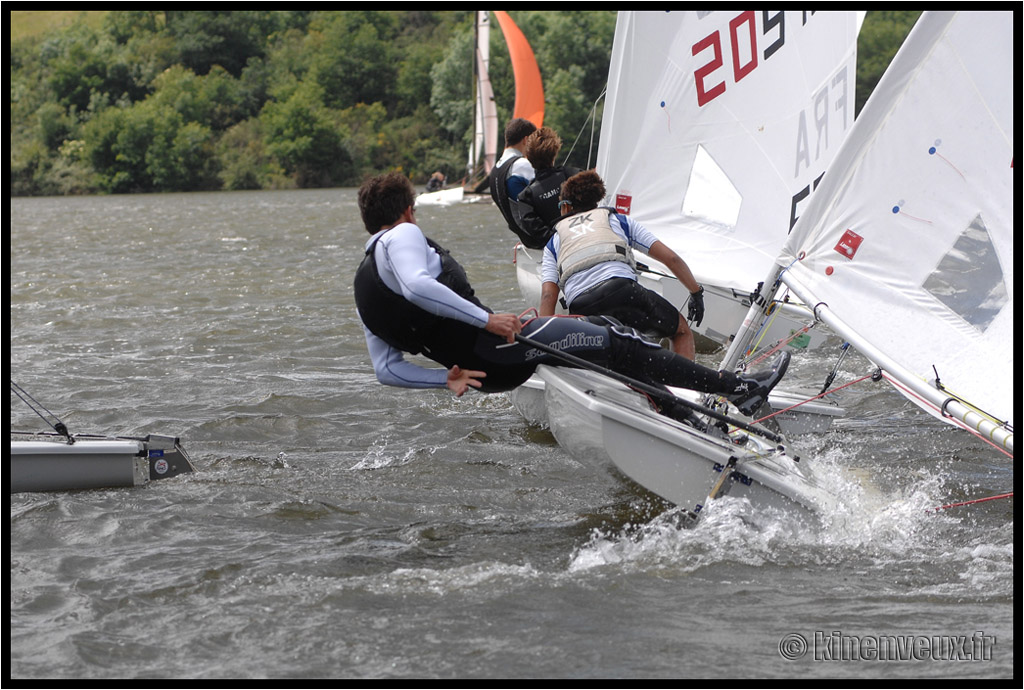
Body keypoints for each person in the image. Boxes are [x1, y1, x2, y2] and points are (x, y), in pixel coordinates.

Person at [353, 171, 787, 417]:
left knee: (604, 348)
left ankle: (683, 414)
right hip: (501, 348)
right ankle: (738, 389)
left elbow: (386, 369)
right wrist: (489, 321)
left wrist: (445, 378)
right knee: (615, 338)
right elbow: (418, 285)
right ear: (407, 210)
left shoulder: (365, 284)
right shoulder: (403, 235)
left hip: (488, 370)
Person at [539, 170, 706, 360]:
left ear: (566, 207)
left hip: (583, 307)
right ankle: (682, 387)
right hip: (624, 293)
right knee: (681, 331)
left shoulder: (553, 242)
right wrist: (695, 293)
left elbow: (547, 296)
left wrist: (544, 342)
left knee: (595, 354)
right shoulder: (617, 220)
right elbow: (671, 259)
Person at [510, 127, 581, 250]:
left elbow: (538, 233)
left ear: (529, 157)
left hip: (561, 251)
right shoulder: (574, 175)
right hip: (584, 240)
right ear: (555, 151)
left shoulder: (526, 198)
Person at [489, 118, 537, 241]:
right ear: (526, 140)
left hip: (524, 236)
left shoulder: (495, 170)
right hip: (539, 236)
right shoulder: (522, 165)